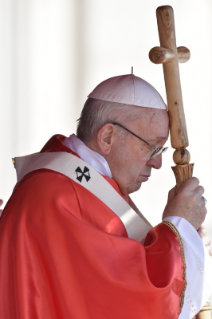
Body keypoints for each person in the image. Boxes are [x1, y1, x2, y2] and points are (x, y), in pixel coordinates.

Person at [0, 74, 211, 319]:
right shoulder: (56, 196)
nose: (158, 162)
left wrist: (185, 241)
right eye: (152, 147)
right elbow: (125, 299)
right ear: (107, 137)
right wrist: (179, 230)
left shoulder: (82, 184)